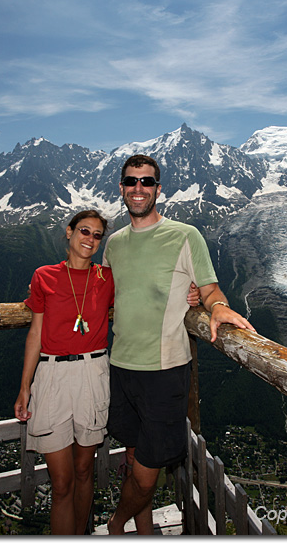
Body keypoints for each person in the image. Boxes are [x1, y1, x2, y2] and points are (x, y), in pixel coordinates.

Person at [104, 154, 255, 535]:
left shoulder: (185, 235)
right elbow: (104, 297)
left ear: (158, 189)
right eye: (132, 181)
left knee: (145, 474)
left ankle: (116, 525)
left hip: (164, 372)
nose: (139, 188)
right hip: (120, 367)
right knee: (139, 459)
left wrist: (216, 307)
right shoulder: (114, 244)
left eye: (147, 182)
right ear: (121, 188)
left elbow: (209, 288)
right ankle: (142, 530)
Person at [14, 210, 114, 535]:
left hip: (93, 371)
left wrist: (193, 294)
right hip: (52, 375)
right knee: (61, 483)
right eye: (84, 231)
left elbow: (149, 294)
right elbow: (35, 333)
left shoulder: (107, 278)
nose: (90, 239)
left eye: (97, 235)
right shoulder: (44, 276)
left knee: (85, 471)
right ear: (69, 232)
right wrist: (25, 386)